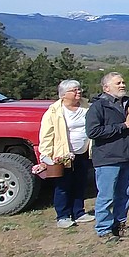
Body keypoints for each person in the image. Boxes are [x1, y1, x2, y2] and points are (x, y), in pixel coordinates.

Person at [85, 72, 129, 243]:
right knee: (106, 196)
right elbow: (93, 132)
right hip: (107, 158)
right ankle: (104, 230)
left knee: (126, 194)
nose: (122, 85)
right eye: (118, 83)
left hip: (127, 157)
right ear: (106, 88)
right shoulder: (98, 107)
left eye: (123, 82)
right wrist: (122, 126)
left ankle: (120, 225)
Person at [38, 79, 94, 228]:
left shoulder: (86, 106)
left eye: (79, 89)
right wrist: (45, 155)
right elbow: (46, 135)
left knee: (80, 183)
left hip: (83, 152)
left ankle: (79, 212)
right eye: (74, 90)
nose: (79, 92)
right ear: (63, 95)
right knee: (63, 186)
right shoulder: (54, 112)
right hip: (63, 155)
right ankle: (62, 216)